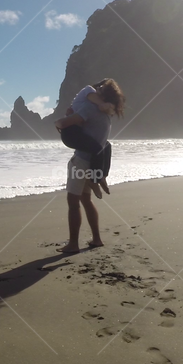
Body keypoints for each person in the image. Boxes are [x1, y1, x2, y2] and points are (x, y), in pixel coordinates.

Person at [53, 79, 125, 254]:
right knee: (86, 200)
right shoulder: (107, 114)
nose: (95, 88)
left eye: (99, 87)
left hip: (82, 161)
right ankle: (97, 239)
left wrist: (60, 121)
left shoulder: (89, 108)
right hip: (94, 161)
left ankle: (73, 244)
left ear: (101, 93)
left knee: (73, 202)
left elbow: (64, 124)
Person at [59, 81, 117, 198]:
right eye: (100, 88)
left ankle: (101, 178)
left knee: (106, 146)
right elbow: (98, 102)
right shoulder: (89, 90)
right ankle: (94, 181)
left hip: (76, 129)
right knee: (97, 148)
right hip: (70, 132)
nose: (100, 90)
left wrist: (108, 107)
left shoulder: (91, 103)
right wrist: (106, 105)